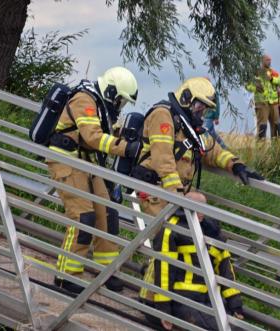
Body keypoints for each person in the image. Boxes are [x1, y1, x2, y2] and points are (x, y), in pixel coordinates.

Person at [47, 67, 141, 293]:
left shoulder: (98, 104)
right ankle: (65, 276)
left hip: (86, 162)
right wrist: (126, 148)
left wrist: (123, 138)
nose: (120, 106)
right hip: (66, 161)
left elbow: (95, 137)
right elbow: (93, 136)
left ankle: (105, 271)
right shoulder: (84, 99)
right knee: (84, 217)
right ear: (110, 91)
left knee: (107, 213)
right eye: (120, 100)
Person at [131, 77, 264, 217]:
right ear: (186, 98)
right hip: (155, 194)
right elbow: (163, 162)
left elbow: (215, 152)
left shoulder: (191, 128)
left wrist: (236, 165)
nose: (202, 113)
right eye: (199, 106)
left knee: (210, 229)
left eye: (205, 109)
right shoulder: (163, 115)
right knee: (174, 235)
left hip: (176, 196)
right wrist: (178, 198)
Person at [139, 192, 244, 331]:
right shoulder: (171, 229)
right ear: (185, 207)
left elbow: (225, 270)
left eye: (203, 207)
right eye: (196, 207)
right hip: (172, 301)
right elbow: (164, 271)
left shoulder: (213, 232)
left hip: (202, 301)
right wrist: (163, 310)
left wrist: (235, 304)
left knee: (238, 327)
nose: (201, 212)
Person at [245, 54, 280, 139]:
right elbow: (247, 86)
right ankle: (260, 150)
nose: (269, 62)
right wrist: (255, 88)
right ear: (262, 61)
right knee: (262, 127)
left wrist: (272, 79)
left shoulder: (274, 73)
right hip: (261, 103)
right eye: (267, 60)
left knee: (277, 126)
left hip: (273, 103)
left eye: (270, 60)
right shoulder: (256, 73)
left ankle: (277, 150)